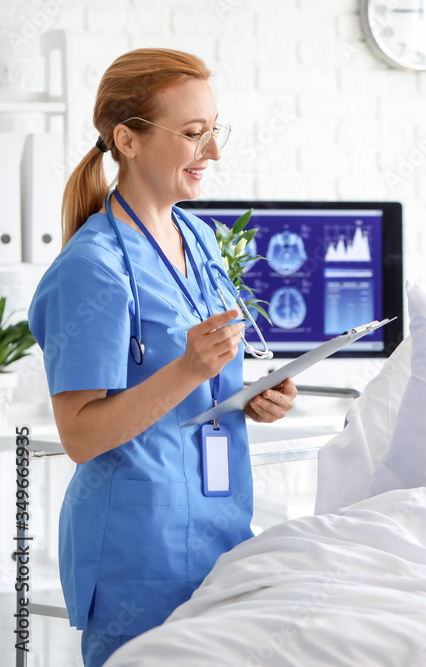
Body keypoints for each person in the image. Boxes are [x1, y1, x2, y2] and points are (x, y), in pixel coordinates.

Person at [27, 49, 298, 667]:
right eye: (194, 135)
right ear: (126, 139)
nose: (215, 153)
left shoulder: (197, 238)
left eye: (215, 132)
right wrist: (189, 370)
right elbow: (79, 435)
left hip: (217, 525)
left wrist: (255, 396)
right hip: (137, 551)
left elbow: (202, 380)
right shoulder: (92, 269)